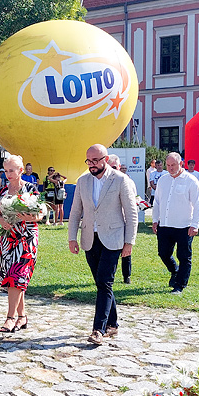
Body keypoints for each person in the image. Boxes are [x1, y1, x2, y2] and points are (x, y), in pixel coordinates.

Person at [68, 144, 138, 343]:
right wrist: (72, 238)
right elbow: (75, 212)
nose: (92, 164)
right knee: (101, 283)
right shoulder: (82, 181)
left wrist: (129, 242)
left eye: (96, 160)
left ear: (106, 159)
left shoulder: (120, 180)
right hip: (90, 238)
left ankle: (98, 329)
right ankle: (113, 324)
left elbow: (131, 213)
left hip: (113, 238)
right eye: (88, 161)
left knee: (105, 281)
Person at [0, 154, 41, 333]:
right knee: (12, 279)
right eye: (6, 171)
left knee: (18, 276)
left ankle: (10, 318)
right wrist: (1, 222)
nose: (8, 174)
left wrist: (27, 216)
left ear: (21, 170)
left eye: (11, 170)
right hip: (8, 237)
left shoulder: (30, 189)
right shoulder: (3, 191)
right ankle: (22, 317)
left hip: (26, 237)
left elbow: (40, 215)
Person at [151, 153, 199, 294]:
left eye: (173, 165)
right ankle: (175, 270)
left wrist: (195, 224)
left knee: (184, 256)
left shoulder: (190, 180)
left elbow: (198, 204)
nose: (171, 168)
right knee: (163, 253)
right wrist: (155, 220)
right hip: (165, 224)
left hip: (184, 226)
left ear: (181, 164)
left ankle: (180, 285)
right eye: (168, 165)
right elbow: (158, 202)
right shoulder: (162, 180)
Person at [109, 154, 137, 285]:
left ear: (119, 167)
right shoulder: (102, 181)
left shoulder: (127, 181)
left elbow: (133, 200)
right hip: (110, 221)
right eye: (109, 167)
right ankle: (109, 276)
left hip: (124, 219)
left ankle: (127, 276)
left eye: (114, 167)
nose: (112, 169)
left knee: (126, 250)